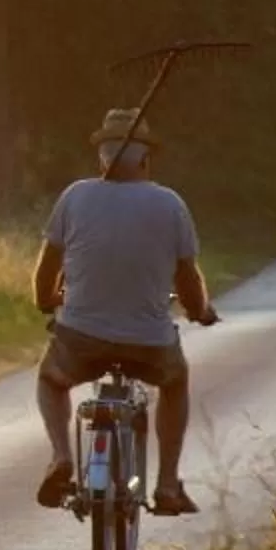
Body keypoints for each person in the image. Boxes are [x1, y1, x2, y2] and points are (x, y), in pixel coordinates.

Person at [31, 109, 217, 516]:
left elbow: (48, 268)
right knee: (174, 381)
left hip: (81, 337)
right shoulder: (170, 204)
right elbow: (188, 278)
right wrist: (200, 311)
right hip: (148, 343)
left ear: (102, 157)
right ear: (146, 158)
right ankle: (167, 485)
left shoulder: (75, 196)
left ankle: (61, 457)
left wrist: (47, 301)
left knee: (51, 378)